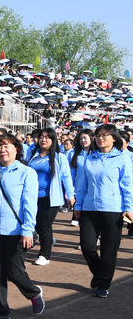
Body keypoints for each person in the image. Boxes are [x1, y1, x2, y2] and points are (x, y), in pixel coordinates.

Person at [0, 134, 44, 319]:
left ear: (17, 149)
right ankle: (1, 311)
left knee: (15, 272)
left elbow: (29, 204)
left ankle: (33, 292)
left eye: (7, 146)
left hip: (17, 232)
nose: (2, 151)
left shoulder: (27, 173)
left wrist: (27, 229)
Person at [74, 124, 133, 298]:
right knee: (87, 247)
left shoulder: (122, 158)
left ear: (114, 138)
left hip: (113, 210)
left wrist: (129, 208)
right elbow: (82, 184)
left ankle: (103, 283)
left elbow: (127, 185)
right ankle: (99, 273)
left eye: (105, 135)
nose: (100, 138)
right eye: (98, 135)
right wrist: (78, 205)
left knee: (108, 251)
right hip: (89, 209)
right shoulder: (89, 158)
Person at [26, 128, 74, 266]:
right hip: (32, 196)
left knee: (45, 225)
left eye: (47, 137)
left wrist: (70, 194)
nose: (44, 139)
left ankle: (44, 255)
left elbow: (66, 176)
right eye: (41, 137)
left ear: (53, 140)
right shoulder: (32, 155)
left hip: (50, 197)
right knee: (35, 225)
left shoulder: (59, 157)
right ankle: (49, 241)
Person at [69, 129, 94, 227]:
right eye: (81, 139)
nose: (83, 141)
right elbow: (71, 174)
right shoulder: (74, 154)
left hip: (92, 188)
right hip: (78, 187)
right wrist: (70, 189)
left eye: (85, 138)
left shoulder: (96, 154)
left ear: (92, 138)